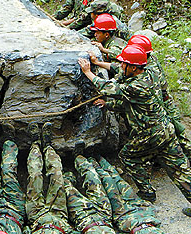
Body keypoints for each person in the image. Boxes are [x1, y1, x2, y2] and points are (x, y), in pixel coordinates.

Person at [78, 45, 191, 211]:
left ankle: (147, 192)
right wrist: (99, 63)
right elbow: (119, 71)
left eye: (125, 64)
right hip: (166, 130)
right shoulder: (149, 73)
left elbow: (109, 88)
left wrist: (88, 72)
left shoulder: (136, 87)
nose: (121, 66)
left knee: (128, 157)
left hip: (149, 134)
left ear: (133, 68)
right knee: (180, 169)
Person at [94, 157, 191, 234]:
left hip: (125, 217)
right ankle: (101, 159)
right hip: (142, 212)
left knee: (109, 183)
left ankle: (93, 160)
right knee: (120, 182)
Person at [25, 123, 80, 234]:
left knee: (35, 175)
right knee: (57, 175)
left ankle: (35, 143)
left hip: (36, 217)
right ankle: (48, 146)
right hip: (58, 216)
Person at [63, 149, 120, 234]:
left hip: (84, 218)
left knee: (66, 186)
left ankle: (66, 165)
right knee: (92, 176)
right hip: (104, 214)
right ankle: (78, 155)